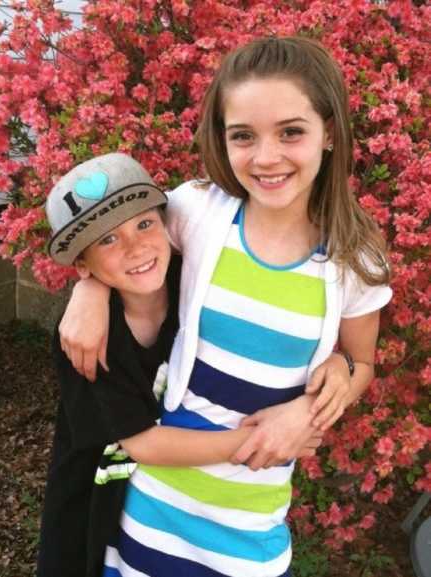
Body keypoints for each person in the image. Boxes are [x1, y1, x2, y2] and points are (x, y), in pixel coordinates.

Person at [59, 37, 392, 577]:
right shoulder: (197, 211)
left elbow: (361, 362)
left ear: (329, 131)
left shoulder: (356, 257)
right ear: (223, 139)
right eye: (243, 136)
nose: (266, 157)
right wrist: (89, 289)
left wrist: (314, 405)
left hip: (250, 524)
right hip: (154, 507)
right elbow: (124, 252)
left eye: (291, 132)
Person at [38, 152, 289, 577]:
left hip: (171, 503)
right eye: (107, 240)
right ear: (83, 264)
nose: (136, 246)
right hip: (94, 500)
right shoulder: (84, 340)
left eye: (144, 223)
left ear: (167, 222)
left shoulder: (196, 282)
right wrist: (264, 444)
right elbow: (142, 444)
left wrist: (343, 365)